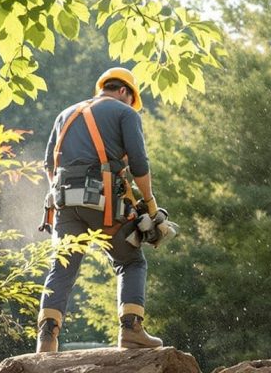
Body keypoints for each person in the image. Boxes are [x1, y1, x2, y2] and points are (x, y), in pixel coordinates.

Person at [36, 66, 163, 352]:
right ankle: (131, 332)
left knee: (63, 266)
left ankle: (47, 339)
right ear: (124, 91)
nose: (132, 104)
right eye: (132, 98)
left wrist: (65, 196)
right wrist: (150, 204)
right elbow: (140, 164)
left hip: (65, 204)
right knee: (130, 261)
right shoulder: (125, 113)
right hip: (104, 203)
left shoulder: (65, 115)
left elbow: (49, 165)